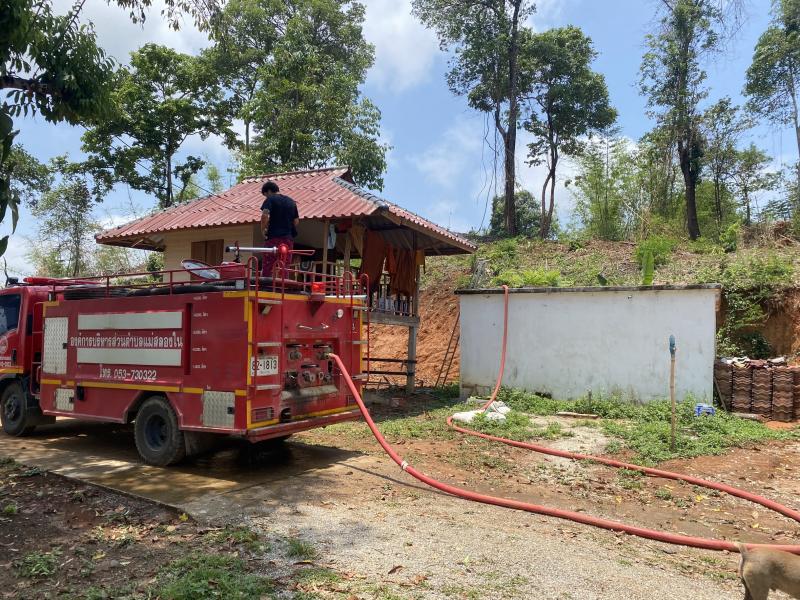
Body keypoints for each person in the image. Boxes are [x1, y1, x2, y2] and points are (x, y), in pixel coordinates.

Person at [260, 180, 299, 277]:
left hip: (273, 238)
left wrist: (263, 230)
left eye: (265, 195)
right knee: (284, 265)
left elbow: (265, 215)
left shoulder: (270, 199)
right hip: (288, 240)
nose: (266, 197)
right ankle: (283, 284)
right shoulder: (291, 202)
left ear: (269, 191)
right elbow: (296, 221)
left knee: (268, 264)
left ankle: (266, 283)